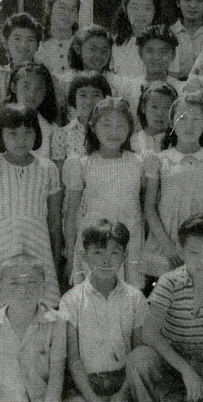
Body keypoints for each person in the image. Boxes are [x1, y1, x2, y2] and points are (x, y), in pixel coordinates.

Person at [127, 213, 203, 402]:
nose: (202, 261)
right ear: (181, 251)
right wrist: (186, 370)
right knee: (139, 359)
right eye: (194, 253)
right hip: (171, 362)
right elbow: (149, 333)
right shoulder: (169, 282)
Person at [143, 94, 203, 279]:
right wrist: (167, 245)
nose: (189, 125)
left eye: (196, 119)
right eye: (182, 119)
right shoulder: (160, 160)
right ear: (171, 121)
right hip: (167, 244)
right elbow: (149, 208)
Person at [60, 220, 147, 402]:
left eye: (114, 252)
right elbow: (74, 359)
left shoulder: (135, 297)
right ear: (84, 255)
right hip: (86, 384)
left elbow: (138, 353)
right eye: (98, 252)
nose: (106, 260)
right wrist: (92, 398)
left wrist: (122, 394)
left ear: (125, 255)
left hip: (125, 381)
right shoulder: (71, 300)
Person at [63, 97, 145, 288]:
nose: (113, 132)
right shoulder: (81, 164)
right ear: (93, 127)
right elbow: (72, 212)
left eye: (120, 126)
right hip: (94, 237)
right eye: (106, 125)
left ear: (130, 128)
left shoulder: (139, 163)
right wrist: (69, 256)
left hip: (129, 236)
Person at [0, 104, 63, 307]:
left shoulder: (47, 169)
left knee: (41, 302)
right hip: (0, 244)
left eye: (28, 132)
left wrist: (57, 257)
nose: (21, 140)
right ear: (0, 135)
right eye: (13, 133)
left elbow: (54, 220)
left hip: (37, 243)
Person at [0, 254, 66, 402]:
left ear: (44, 287)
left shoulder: (56, 323)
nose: (23, 290)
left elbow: (56, 376)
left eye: (31, 282)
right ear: (0, 288)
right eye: (14, 283)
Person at [0, 63, 59, 159]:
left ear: (45, 91)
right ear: (14, 87)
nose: (32, 94)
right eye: (26, 87)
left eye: (38, 88)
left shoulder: (52, 130)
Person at [60, 24, 123, 120]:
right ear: (78, 49)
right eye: (92, 49)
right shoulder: (63, 83)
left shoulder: (118, 84)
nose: (98, 55)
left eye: (104, 50)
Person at [51, 71, 112, 171]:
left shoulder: (111, 131)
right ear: (74, 98)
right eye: (83, 95)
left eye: (96, 95)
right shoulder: (62, 134)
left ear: (105, 98)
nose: (89, 101)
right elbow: (59, 176)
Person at [125, 24, 182, 124]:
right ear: (140, 53)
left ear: (173, 55)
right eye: (150, 51)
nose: (156, 57)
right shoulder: (129, 88)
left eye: (163, 51)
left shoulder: (181, 89)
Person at [111, 0, 166, 78]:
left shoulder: (166, 43)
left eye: (147, 8)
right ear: (125, 9)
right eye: (134, 8)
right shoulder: (114, 44)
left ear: (155, 11)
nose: (140, 14)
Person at [0, 13, 43, 116]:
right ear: (6, 42)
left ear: (38, 45)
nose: (24, 45)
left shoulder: (46, 77)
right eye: (17, 39)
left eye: (30, 40)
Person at [35, 0, 81, 75]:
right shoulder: (38, 45)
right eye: (62, 8)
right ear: (49, 9)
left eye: (72, 9)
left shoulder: (82, 45)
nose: (67, 14)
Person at [131, 84, 177, 154]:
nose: (160, 113)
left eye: (167, 108)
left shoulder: (177, 143)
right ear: (143, 107)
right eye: (154, 107)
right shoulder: (133, 140)